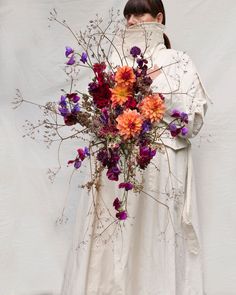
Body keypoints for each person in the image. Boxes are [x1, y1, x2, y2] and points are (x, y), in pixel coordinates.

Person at [60, 1, 208, 294]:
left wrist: (153, 85)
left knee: (153, 245)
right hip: (116, 172)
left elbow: (191, 122)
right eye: (127, 14)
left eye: (139, 13)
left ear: (159, 18)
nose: (131, 20)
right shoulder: (114, 63)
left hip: (159, 173)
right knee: (111, 248)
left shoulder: (178, 62)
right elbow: (101, 117)